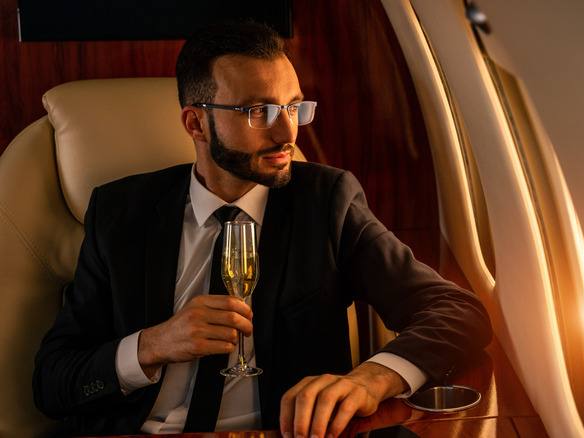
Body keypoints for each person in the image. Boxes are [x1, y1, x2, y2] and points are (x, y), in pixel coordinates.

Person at [32, 20, 492, 438]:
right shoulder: (119, 213)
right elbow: (52, 383)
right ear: (196, 123)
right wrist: (153, 344)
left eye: (294, 107)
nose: (287, 133)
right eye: (258, 112)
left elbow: (456, 312)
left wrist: (370, 379)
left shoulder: (326, 201)